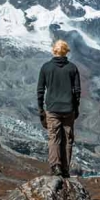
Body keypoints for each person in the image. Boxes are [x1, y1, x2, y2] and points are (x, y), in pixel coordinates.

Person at [36, 39, 81, 178]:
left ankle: (56, 167)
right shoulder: (72, 68)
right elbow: (77, 91)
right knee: (67, 139)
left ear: (53, 50)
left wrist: (41, 110)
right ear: (66, 51)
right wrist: (76, 107)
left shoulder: (46, 67)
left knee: (54, 138)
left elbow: (40, 90)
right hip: (69, 109)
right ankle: (66, 169)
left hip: (52, 109)